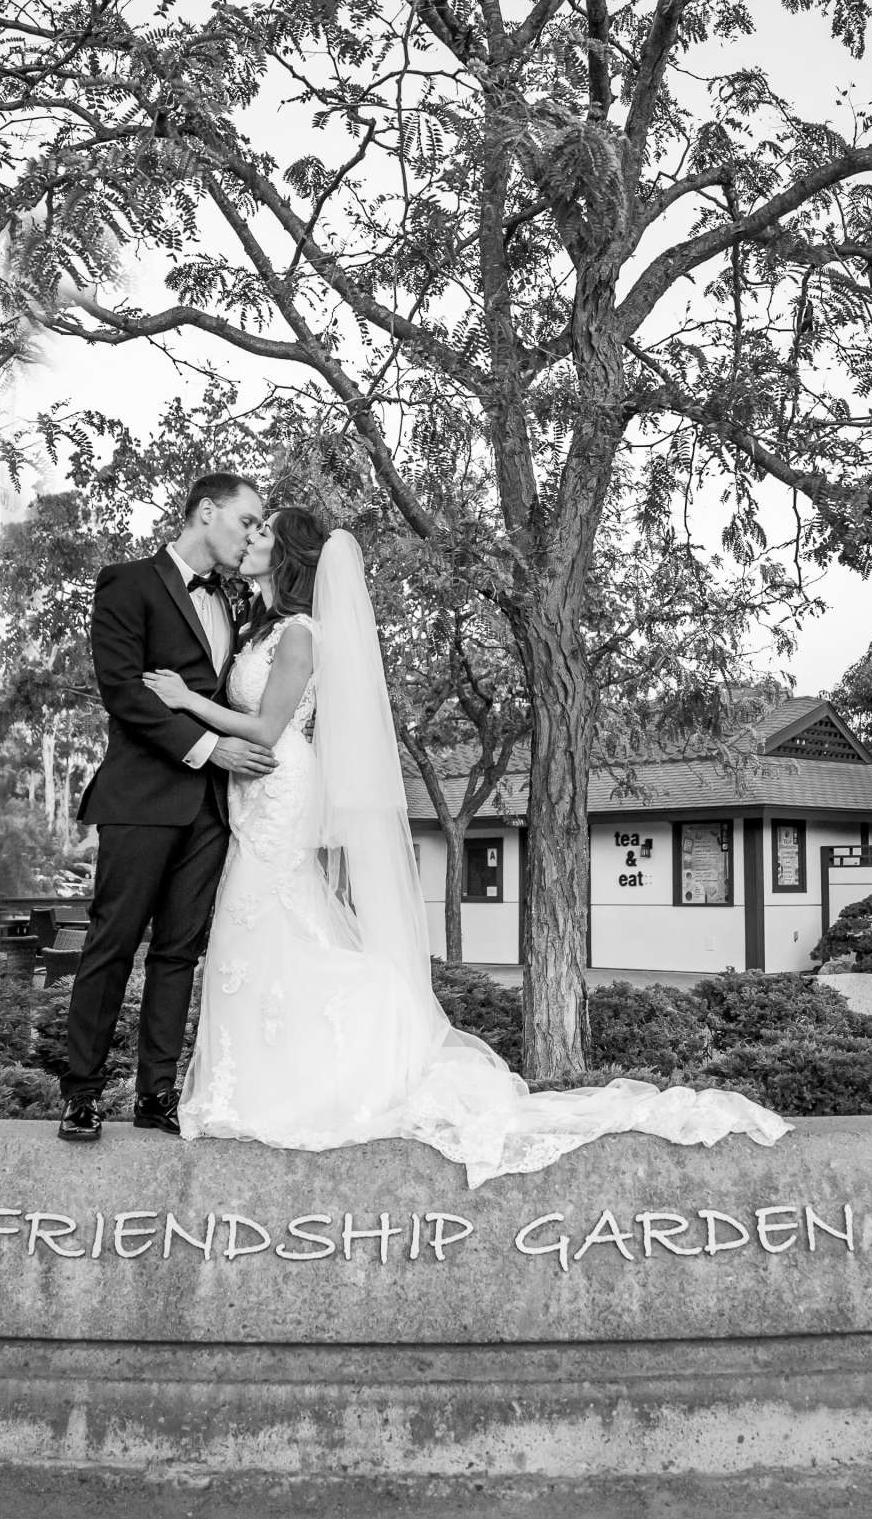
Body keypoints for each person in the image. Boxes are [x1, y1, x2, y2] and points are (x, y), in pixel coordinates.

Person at [141, 508, 788, 1186]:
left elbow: (269, 727)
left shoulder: (300, 632)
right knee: (267, 929)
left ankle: (351, 1043)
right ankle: (263, 1083)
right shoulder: (262, 625)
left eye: (264, 533)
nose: (250, 541)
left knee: (258, 921)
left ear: (293, 555)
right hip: (254, 793)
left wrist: (187, 701)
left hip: (277, 786)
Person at [61, 471, 278, 1143]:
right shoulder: (127, 582)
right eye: (247, 520)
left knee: (179, 953)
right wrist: (208, 750)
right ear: (206, 512)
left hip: (212, 811)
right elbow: (123, 691)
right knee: (112, 944)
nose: (252, 535)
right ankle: (81, 1095)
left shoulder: (239, 602)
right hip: (142, 796)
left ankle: (155, 1093)